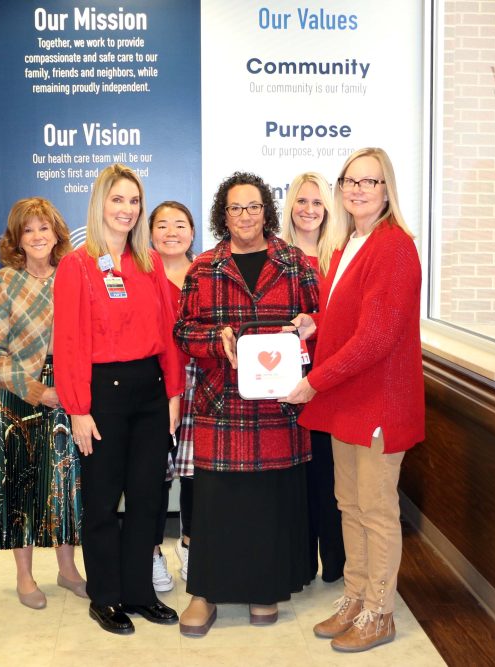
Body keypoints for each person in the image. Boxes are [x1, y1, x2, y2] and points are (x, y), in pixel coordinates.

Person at [283, 147, 425, 653]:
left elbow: (377, 339)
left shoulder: (394, 246)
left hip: (379, 403)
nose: (359, 189)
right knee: (350, 504)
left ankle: (380, 611)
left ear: (387, 190)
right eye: (351, 180)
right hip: (348, 403)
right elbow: (353, 322)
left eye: (371, 181)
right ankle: (356, 597)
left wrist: (314, 381)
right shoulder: (348, 246)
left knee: (376, 509)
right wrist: (316, 325)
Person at [174, 172, 319, 637]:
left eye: (253, 206)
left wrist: (309, 324)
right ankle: (205, 593)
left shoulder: (294, 262)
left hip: (279, 405)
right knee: (217, 505)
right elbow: (183, 332)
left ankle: (264, 588)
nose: (245, 216)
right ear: (223, 214)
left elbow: (322, 319)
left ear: (266, 210)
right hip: (223, 403)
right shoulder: (203, 268)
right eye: (235, 208)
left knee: (268, 503)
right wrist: (215, 340)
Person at [53, 164, 185, 635]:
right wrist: (78, 408)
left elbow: (170, 336)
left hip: (150, 391)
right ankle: (106, 596)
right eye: (117, 200)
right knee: (104, 502)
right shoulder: (77, 264)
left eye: (134, 201)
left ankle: (140, 594)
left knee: (148, 500)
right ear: (100, 204)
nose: (126, 210)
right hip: (100, 396)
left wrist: (173, 394)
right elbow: (67, 341)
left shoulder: (148, 262)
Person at [0, 197, 87, 609]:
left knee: (65, 483)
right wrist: (37, 391)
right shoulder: (4, 281)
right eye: (29, 230)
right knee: (19, 483)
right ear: (17, 239)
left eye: (44, 228)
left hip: (69, 390)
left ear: (57, 234)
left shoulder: (72, 276)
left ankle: (67, 569)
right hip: (19, 396)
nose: (38, 236)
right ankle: (24, 576)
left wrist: (70, 387)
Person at [282, 172, 346, 584]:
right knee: (295, 479)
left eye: (317, 203)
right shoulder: (277, 256)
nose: (309, 210)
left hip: (331, 378)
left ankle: (336, 565)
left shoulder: (340, 256)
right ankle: (299, 564)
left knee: (329, 474)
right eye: (301, 202)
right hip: (285, 379)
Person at [148, 201, 196, 590]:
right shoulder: (140, 275)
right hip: (153, 386)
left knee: (197, 474)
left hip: (200, 385)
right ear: (150, 235)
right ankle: (152, 552)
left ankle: (189, 544)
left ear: (192, 233)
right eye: (162, 225)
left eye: (179, 224)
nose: (171, 232)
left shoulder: (207, 274)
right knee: (153, 475)